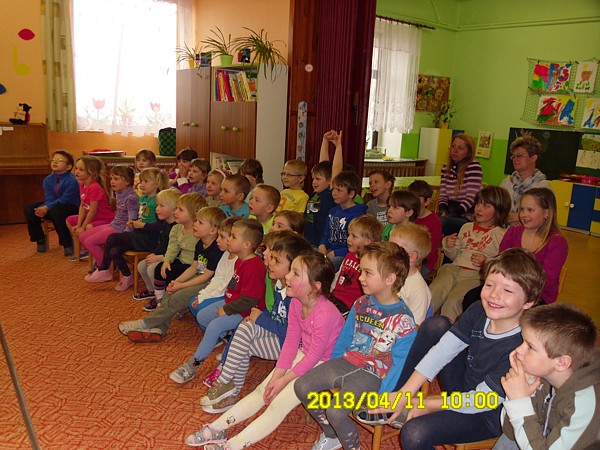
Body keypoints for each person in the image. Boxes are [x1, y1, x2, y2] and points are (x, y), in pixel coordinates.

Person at [365, 248, 545, 450]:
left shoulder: (523, 346)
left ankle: (402, 403)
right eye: (489, 284)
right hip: (464, 387)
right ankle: (395, 395)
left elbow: (482, 400)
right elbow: (442, 351)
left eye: (508, 290)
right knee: (437, 325)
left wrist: (428, 405)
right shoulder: (478, 310)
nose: (494, 294)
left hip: (488, 412)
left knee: (415, 433)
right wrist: (407, 392)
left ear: (529, 302)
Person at [184, 252, 345, 450]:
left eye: (295, 273)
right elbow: (292, 341)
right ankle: (217, 428)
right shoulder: (297, 302)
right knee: (264, 389)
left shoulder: (325, 314)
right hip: (306, 353)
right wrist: (277, 376)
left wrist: (284, 380)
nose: (288, 276)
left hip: (326, 364)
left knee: (279, 403)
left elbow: (314, 357)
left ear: (314, 287)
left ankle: (233, 445)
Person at [296, 241, 417, 450]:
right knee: (302, 386)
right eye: (361, 271)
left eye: (367, 273)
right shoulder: (361, 303)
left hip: (374, 374)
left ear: (389, 279)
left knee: (335, 411)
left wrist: (382, 395)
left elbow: (400, 363)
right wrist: (332, 364)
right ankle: (332, 434)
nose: (360, 277)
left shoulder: (404, 320)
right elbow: (345, 337)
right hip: (348, 361)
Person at [199, 232, 313, 413]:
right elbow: (277, 315)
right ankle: (228, 386)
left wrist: (260, 319)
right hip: (279, 335)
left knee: (245, 343)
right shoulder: (280, 285)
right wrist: (259, 318)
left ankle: (228, 386)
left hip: (293, 347)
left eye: (276, 261)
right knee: (245, 328)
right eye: (271, 258)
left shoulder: (296, 296)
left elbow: (290, 333)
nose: (269, 262)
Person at [170, 218, 266, 385]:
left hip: (246, 311)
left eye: (233, 237)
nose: (228, 239)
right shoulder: (240, 260)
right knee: (203, 316)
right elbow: (233, 287)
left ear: (246, 244)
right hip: (232, 303)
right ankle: (229, 336)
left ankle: (192, 366)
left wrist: (227, 309)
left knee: (214, 326)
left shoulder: (253, 266)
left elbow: (251, 299)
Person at [495, 303, 599, 450]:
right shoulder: (545, 374)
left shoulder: (586, 404)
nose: (518, 350)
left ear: (561, 362)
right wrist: (524, 384)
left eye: (530, 347)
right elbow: (511, 433)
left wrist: (519, 402)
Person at [118, 206, 225, 341]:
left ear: (213, 230)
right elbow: (194, 267)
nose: (195, 224)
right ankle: (159, 329)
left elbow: (207, 275)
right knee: (169, 291)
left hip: (210, 283)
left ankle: (146, 323)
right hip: (199, 277)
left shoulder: (216, 249)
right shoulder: (200, 243)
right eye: (196, 221)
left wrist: (181, 286)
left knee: (178, 296)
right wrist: (177, 282)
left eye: (200, 222)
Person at [463, 187, 568, 311]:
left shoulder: (557, 242)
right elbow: (501, 262)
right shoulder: (514, 231)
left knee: (503, 309)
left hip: (536, 295)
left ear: (546, 213)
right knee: (471, 299)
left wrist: (512, 286)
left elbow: (547, 280)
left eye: (530, 210)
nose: (524, 214)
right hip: (506, 286)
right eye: (522, 209)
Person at [430, 185, 511, 322]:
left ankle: (447, 331)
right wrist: (449, 245)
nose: (479, 208)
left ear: (499, 210)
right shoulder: (466, 227)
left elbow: (503, 264)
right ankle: (416, 325)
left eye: (486, 206)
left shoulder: (501, 234)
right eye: (478, 204)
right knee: (432, 294)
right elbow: (453, 256)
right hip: (452, 269)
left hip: (475, 276)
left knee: (453, 302)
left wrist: (486, 262)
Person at [85, 167, 169, 290]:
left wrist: (142, 225)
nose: (141, 184)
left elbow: (160, 225)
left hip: (151, 239)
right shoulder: (143, 198)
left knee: (112, 237)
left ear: (157, 184)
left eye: (146, 181)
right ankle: (127, 275)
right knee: (114, 251)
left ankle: (104, 269)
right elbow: (142, 217)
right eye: (141, 181)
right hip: (139, 234)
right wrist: (133, 223)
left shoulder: (158, 201)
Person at [146, 193, 207, 310]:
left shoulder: (199, 231)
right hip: (182, 261)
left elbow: (203, 255)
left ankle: (176, 304)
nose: (175, 212)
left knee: (176, 277)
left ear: (194, 214)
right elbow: (172, 248)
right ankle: (160, 299)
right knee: (160, 269)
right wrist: (167, 261)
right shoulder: (176, 228)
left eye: (180, 210)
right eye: (176, 209)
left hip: (194, 265)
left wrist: (200, 272)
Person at [79, 166, 139, 271]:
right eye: (111, 178)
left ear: (127, 181)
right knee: (83, 236)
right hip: (114, 224)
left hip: (121, 230)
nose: (112, 181)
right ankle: (107, 262)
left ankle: (103, 267)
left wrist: (124, 238)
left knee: (89, 242)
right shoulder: (119, 193)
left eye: (116, 179)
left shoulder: (131, 198)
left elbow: (131, 221)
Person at [24, 150, 80, 254]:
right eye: (53, 160)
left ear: (68, 166)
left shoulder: (72, 180)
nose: (55, 162)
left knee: (57, 211)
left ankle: (67, 243)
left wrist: (47, 207)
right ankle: (40, 238)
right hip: (53, 206)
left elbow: (65, 199)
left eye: (60, 160)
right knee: (30, 209)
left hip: (70, 207)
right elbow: (49, 198)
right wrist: (43, 208)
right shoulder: (47, 180)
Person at [131, 189, 181, 301]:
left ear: (174, 210)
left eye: (161, 206)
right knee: (142, 266)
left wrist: (159, 257)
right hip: (163, 255)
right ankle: (152, 291)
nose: (157, 209)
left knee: (152, 269)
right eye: (157, 205)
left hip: (173, 258)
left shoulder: (177, 227)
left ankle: (161, 297)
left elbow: (177, 250)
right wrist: (155, 254)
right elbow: (163, 244)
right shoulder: (165, 223)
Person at [329, 214, 383, 314]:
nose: (348, 239)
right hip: (334, 297)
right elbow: (338, 276)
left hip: (350, 305)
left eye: (354, 236)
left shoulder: (371, 263)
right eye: (349, 235)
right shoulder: (349, 256)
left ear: (368, 242)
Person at [66, 155, 115, 260]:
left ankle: (97, 252)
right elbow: (82, 206)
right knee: (69, 220)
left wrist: (82, 227)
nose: (77, 172)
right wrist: (79, 225)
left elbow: (92, 211)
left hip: (105, 219)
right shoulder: (82, 184)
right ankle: (83, 249)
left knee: (88, 227)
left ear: (92, 172)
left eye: (81, 170)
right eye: (76, 168)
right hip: (93, 218)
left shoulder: (94, 187)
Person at [318, 170, 368, 271]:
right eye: (333, 189)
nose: (334, 193)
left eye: (339, 190)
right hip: (330, 250)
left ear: (351, 194)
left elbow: (358, 246)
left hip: (345, 254)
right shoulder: (332, 211)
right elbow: (326, 234)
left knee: (324, 267)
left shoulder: (358, 215)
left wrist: (336, 253)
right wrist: (322, 245)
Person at [500, 136, 552, 226]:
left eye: (519, 156)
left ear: (533, 158)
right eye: (513, 156)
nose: (515, 159)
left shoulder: (543, 186)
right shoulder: (506, 183)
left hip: (532, 232)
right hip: (504, 231)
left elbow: (546, 217)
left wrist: (518, 216)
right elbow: (498, 211)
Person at [438, 134, 483, 236]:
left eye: (460, 148)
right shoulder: (446, 168)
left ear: (468, 152)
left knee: (440, 222)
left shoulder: (474, 167)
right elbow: (443, 195)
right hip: (449, 211)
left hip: (466, 215)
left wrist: (451, 215)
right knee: (427, 220)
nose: (455, 151)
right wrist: (443, 211)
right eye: (453, 146)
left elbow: (471, 199)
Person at [304, 130, 343, 247]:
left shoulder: (329, 193)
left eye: (318, 179)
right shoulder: (316, 193)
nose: (314, 182)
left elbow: (336, 168)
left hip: (320, 243)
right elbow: (323, 164)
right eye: (313, 179)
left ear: (330, 180)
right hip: (308, 240)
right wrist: (325, 140)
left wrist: (338, 146)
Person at [389, 223, 432, 325]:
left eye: (393, 249)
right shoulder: (387, 272)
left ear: (411, 257)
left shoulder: (419, 290)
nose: (387, 252)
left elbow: (415, 326)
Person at [408, 180, 442, 278]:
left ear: (427, 201)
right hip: (408, 258)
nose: (412, 202)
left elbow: (431, 250)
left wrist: (414, 259)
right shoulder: (408, 215)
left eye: (417, 199)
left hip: (425, 263)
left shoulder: (434, 221)